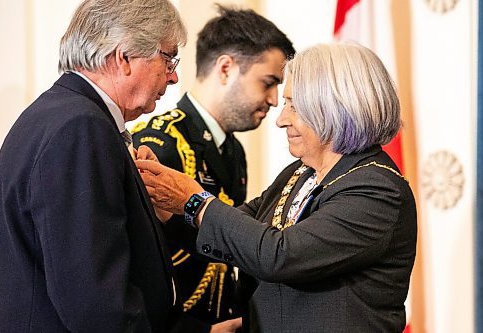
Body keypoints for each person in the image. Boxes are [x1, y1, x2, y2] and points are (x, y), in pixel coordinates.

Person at [136, 42, 418, 332]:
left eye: (294, 106)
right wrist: (166, 205)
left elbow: (280, 255)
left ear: (336, 108)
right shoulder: (302, 172)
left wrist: (194, 199)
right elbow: (237, 233)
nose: (281, 120)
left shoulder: (377, 190)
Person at [0, 0, 187, 331]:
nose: (174, 76)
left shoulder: (61, 112)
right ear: (124, 57)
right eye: (168, 59)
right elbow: (95, 301)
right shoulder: (81, 126)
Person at [132, 6, 295, 332]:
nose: (275, 100)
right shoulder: (162, 142)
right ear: (225, 68)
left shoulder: (232, 150)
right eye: (268, 83)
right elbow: (137, 269)